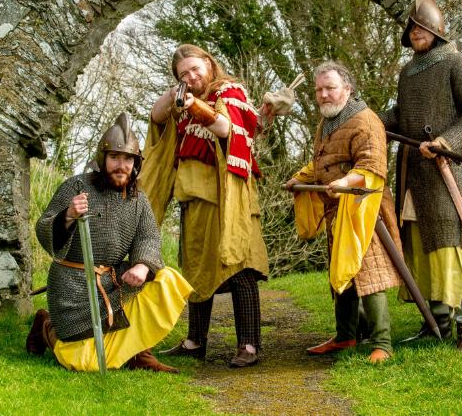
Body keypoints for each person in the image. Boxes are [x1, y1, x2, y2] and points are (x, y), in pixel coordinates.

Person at [25, 113, 193, 372]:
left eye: (128, 159)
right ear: (102, 159)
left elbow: (148, 237)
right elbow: (43, 228)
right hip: (74, 286)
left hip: (114, 280)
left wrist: (142, 266)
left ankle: (138, 353)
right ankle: (45, 326)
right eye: (115, 157)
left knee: (166, 280)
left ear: (136, 163)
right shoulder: (76, 186)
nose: (121, 165)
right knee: (81, 363)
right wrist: (68, 215)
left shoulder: (138, 199)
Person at [141, 44, 269, 368]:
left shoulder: (230, 90)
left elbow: (227, 130)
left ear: (209, 64)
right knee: (196, 271)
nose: (191, 76)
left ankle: (249, 345)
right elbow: (156, 118)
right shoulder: (182, 102)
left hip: (229, 199)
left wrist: (195, 105)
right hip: (195, 201)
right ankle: (195, 341)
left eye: (195, 69)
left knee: (239, 267)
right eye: (183, 74)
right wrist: (175, 95)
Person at [379, 0, 462, 351]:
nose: (415, 33)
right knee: (418, 246)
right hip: (413, 170)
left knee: (448, 246)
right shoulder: (408, 73)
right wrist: (370, 123)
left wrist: (447, 142)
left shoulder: (461, 64)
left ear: (437, 29)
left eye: (421, 28)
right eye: (411, 29)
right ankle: (436, 321)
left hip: (445, 170)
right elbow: (402, 117)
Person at [286, 61, 402, 364]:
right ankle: (345, 335)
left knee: (367, 275)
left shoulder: (366, 121)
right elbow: (322, 163)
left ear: (347, 89)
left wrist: (345, 181)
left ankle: (383, 344)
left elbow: (372, 165)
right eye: (319, 90)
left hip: (366, 209)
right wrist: (301, 178)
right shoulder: (326, 123)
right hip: (337, 208)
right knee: (343, 274)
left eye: (330, 88)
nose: (324, 95)